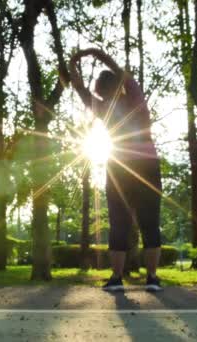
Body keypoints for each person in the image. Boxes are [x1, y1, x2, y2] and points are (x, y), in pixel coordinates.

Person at [68, 48, 163, 292]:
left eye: (97, 82)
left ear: (102, 87)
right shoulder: (133, 97)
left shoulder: (113, 104)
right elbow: (85, 87)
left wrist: (78, 59)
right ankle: (150, 278)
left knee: (121, 223)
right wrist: (91, 55)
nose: (95, 85)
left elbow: (80, 88)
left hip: (122, 166)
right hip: (143, 165)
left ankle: (118, 278)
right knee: (147, 223)